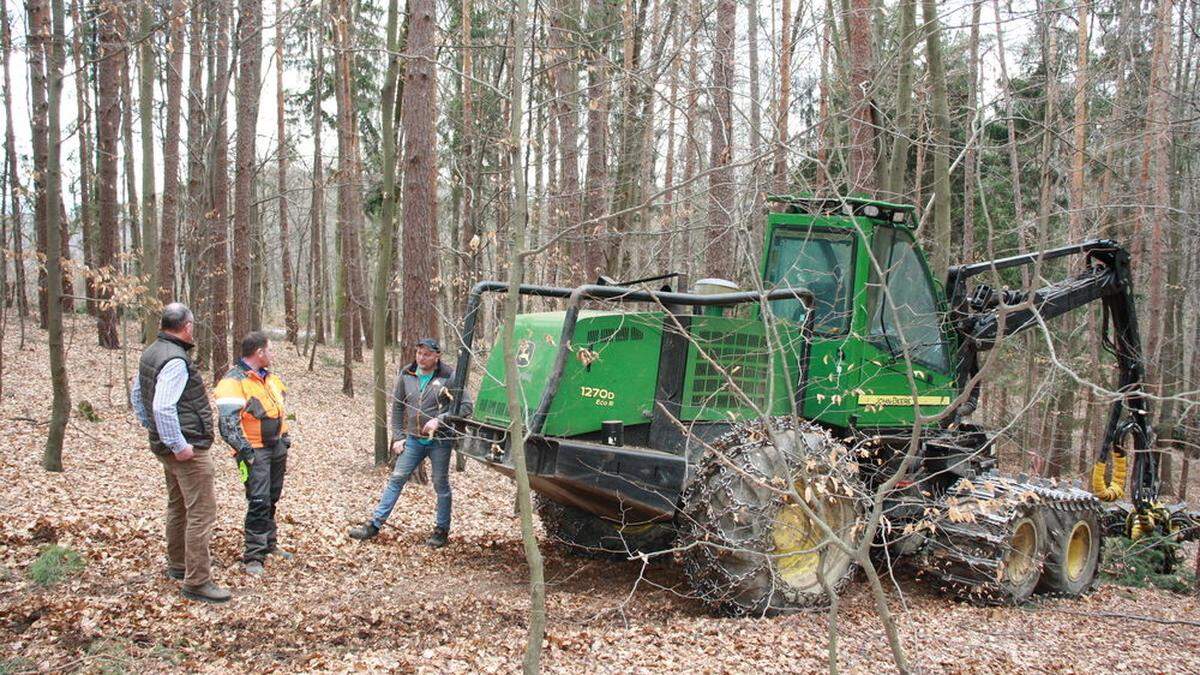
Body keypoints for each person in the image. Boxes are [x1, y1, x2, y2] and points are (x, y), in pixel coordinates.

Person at [131, 303, 230, 603]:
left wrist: (154, 429)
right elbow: (161, 405)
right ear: (186, 326)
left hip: (167, 446)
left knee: (178, 505)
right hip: (186, 449)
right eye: (193, 324)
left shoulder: (151, 352)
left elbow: (137, 394)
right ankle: (197, 580)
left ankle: (179, 564)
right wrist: (178, 444)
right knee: (201, 511)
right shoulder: (175, 360)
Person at [349, 338, 472, 547]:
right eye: (419, 353)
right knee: (397, 478)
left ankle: (441, 530)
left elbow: (467, 407)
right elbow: (397, 407)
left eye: (426, 354)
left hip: (440, 441)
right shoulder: (407, 374)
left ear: (437, 356)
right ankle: (374, 525)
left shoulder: (449, 376)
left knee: (440, 483)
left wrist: (439, 420)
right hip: (414, 439)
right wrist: (398, 437)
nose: (421, 358)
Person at [214, 331, 293, 577]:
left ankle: (269, 544)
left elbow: (279, 409)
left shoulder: (269, 379)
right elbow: (227, 425)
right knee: (258, 500)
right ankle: (254, 555)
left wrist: (285, 437)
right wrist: (246, 452)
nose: (273, 354)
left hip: (276, 448)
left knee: (272, 497)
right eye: (270, 349)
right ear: (259, 352)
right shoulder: (232, 381)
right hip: (254, 451)